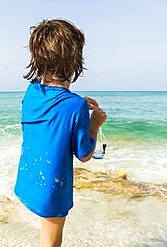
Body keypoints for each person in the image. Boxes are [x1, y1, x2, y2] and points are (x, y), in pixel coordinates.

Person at [14, 18, 107, 247]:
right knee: (51, 238)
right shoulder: (75, 106)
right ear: (75, 61)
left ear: (37, 58)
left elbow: (54, 111)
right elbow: (85, 154)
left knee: (45, 229)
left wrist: (78, 108)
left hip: (29, 178)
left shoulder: (32, 91)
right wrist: (95, 122)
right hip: (52, 187)